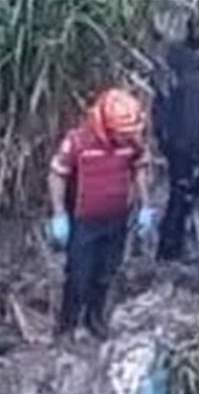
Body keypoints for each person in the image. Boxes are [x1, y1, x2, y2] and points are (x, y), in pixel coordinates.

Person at [48, 88, 155, 339]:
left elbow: (140, 169)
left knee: (106, 272)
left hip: (117, 217)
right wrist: (59, 213)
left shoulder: (132, 141)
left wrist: (145, 206)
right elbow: (57, 175)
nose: (126, 139)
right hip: (84, 219)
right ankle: (67, 325)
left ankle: (95, 319)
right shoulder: (77, 142)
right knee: (78, 275)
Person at [154, 29, 199, 263]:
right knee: (183, 202)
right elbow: (198, 123)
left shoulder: (176, 73)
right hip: (193, 151)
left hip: (174, 146)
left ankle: (169, 248)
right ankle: (170, 250)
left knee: (178, 198)